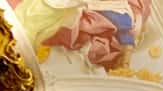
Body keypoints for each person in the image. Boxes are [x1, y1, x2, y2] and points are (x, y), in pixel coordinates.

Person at [12, 0, 151, 70]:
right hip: (53, 7)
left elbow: (123, 14)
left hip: (62, 11)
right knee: (28, 24)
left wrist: (128, 45)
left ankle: (20, 56)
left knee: (37, 33)